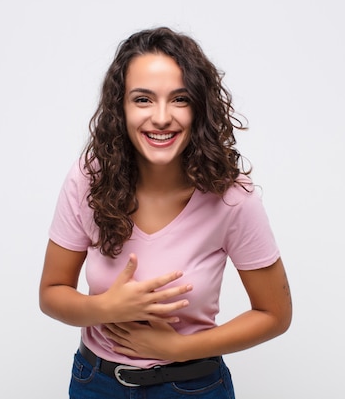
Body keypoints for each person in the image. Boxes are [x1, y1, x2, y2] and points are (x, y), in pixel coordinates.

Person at [39, 26, 292, 398]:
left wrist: (176, 349)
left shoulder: (232, 197)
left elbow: (275, 314)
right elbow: (51, 292)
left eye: (179, 99)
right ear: (120, 108)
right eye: (142, 99)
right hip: (97, 385)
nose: (160, 118)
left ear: (199, 108)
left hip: (193, 387)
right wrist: (106, 307)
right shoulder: (88, 178)